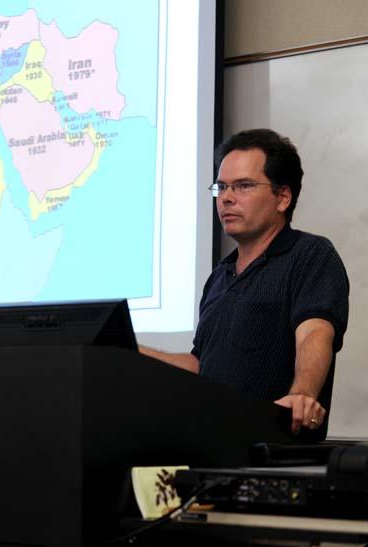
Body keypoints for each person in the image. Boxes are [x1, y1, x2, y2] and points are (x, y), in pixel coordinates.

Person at [141, 129, 349, 434]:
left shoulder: (310, 255)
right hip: (211, 449)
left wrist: (302, 394)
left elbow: (315, 333)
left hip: (271, 454)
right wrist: (129, 352)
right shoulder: (219, 277)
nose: (226, 197)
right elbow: (202, 366)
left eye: (243, 186)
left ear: (283, 197)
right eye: (222, 186)